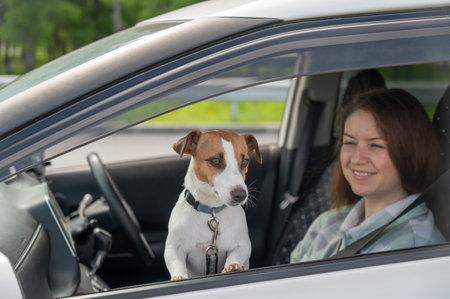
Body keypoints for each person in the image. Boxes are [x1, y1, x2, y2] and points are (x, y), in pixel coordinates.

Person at [290, 88, 445, 263]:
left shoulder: (416, 248)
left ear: (411, 152)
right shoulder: (327, 222)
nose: (356, 158)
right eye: (349, 142)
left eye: (376, 146)